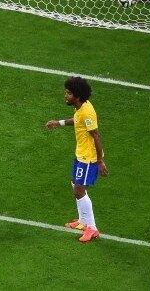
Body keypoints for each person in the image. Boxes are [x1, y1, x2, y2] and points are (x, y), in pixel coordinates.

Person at [45, 76, 108, 243]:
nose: (65, 96)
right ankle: (82, 221)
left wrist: (100, 161)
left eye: (69, 93)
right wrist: (59, 123)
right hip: (81, 153)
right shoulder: (80, 107)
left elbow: (96, 135)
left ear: (78, 96)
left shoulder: (87, 112)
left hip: (88, 158)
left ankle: (92, 228)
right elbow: (77, 121)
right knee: (75, 183)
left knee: (79, 190)